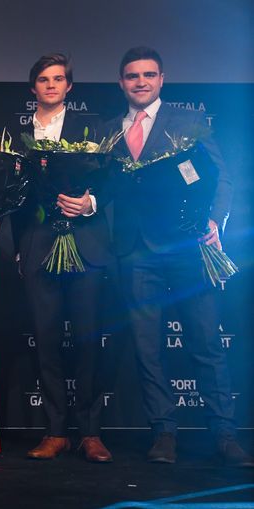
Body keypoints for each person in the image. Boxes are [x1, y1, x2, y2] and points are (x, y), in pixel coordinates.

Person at [105, 46, 252, 467]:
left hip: (189, 246)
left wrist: (215, 221)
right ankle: (163, 433)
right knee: (147, 348)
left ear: (162, 79)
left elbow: (221, 177)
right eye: (132, 75)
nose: (141, 82)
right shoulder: (109, 130)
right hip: (136, 251)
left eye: (149, 74)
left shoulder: (187, 121)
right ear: (122, 82)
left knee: (205, 342)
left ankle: (225, 435)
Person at [14, 54, 113, 462]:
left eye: (58, 79)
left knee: (88, 341)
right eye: (43, 79)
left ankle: (90, 433)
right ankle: (55, 432)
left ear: (69, 86)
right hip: (39, 245)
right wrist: (18, 248)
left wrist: (90, 203)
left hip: (85, 246)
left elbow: (112, 181)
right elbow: (13, 198)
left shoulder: (93, 129)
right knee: (47, 342)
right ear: (33, 87)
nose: (51, 85)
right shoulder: (18, 136)